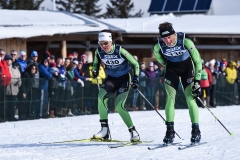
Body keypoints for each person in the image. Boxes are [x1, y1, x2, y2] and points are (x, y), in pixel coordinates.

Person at [153, 22, 202, 144]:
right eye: (164, 38)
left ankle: (195, 130)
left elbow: (197, 61)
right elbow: (157, 55)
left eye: (169, 37)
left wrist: (197, 81)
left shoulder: (185, 41)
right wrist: (165, 64)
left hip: (187, 68)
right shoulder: (158, 45)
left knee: (190, 99)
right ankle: (170, 131)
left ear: (174, 34)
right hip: (171, 69)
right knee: (170, 99)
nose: (167, 41)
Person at [92, 29, 140, 142]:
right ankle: (104, 130)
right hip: (111, 79)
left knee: (119, 106)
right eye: (101, 43)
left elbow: (135, 63)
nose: (103, 46)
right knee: (101, 98)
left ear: (111, 41)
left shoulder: (120, 50)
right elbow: (95, 62)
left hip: (124, 79)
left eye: (106, 43)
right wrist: (95, 70)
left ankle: (133, 131)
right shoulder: (98, 51)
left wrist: (136, 78)